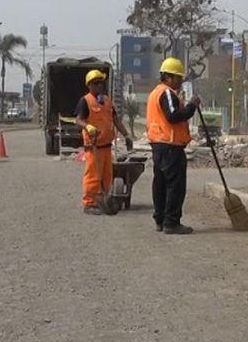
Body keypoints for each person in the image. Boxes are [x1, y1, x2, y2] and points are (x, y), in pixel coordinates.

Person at [146, 57, 201, 234]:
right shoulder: (167, 93)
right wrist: (192, 106)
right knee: (175, 186)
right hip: (170, 145)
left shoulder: (155, 93)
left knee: (160, 184)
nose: (180, 81)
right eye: (178, 77)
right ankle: (171, 222)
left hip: (159, 144)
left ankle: (160, 220)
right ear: (168, 77)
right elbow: (173, 115)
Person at [75, 69, 135, 215]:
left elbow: (116, 120)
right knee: (93, 177)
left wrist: (126, 135)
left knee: (107, 177)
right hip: (93, 146)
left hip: (107, 146)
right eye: (96, 83)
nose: (100, 86)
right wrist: (87, 126)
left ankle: (104, 201)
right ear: (89, 85)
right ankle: (89, 204)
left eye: (101, 83)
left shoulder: (107, 101)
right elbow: (78, 120)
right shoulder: (85, 101)